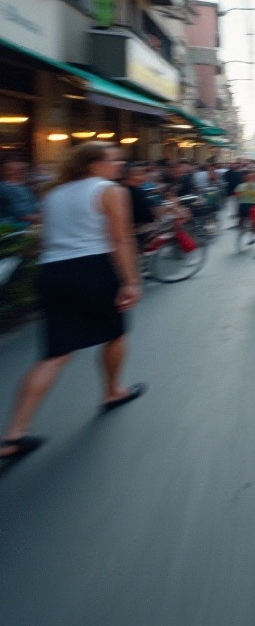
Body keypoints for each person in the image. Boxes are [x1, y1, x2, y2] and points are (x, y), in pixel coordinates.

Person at [0, 142, 145, 462]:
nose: (119, 164)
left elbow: (46, 237)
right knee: (116, 333)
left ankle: (14, 434)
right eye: (113, 159)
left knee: (54, 355)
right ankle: (112, 390)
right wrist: (131, 280)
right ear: (94, 164)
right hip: (92, 268)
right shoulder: (109, 190)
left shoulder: (53, 194)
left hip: (53, 271)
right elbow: (120, 238)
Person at [0, 159, 41, 226]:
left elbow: (36, 208)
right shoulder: (7, 189)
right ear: (9, 172)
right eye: (22, 171)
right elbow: (25, 216)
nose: (25, 174)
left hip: (26, 228)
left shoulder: (23, 187)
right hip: (13, 230)